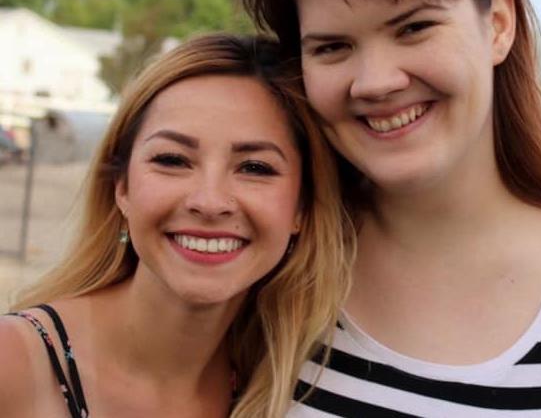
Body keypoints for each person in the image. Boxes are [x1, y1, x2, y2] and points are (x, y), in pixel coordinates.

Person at [240, 0, 541, 416]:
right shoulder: (271, 269)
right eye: (332, 47)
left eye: (413, 28)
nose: (375, 82)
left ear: (498, 24)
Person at [0, 33, 354, 418]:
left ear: (301, 207)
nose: (209, 202)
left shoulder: (295, 394)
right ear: (122, 188)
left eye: (255, 167)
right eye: (172, 160)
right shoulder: (13, 365)